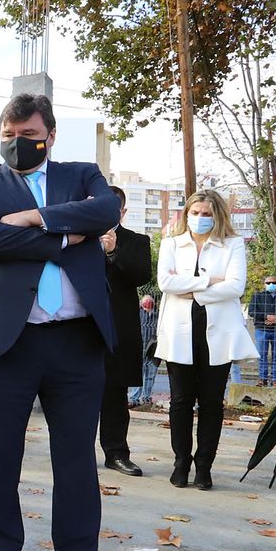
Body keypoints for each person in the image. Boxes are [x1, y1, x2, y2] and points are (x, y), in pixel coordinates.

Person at [0, 93, 121, 551]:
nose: (16, 144)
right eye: (8, 136)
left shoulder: (82, 173)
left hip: (76, 338)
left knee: (75, 453)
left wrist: (34, 218)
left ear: (49, 135)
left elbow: (106, 210)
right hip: (8, 340)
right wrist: (68, 237)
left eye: (27, 136)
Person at [156, 192, 258, 489]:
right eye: (195, 212)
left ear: (218, 216)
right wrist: (211, 281)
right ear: (186, 213)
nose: (200, 218)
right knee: (180, 401)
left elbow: (235, 286)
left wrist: (191, 290)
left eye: (207, 213)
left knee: (212, 402)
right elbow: (166, 283)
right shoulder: (171, 244)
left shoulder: (232, 244)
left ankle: (204, 466)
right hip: (179, 331)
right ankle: (181, 462)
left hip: (219, 333)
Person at [97, 186, 153, 477]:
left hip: (118, 327)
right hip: (80, 327)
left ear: (123, 211)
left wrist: (114, 251)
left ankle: (116, 453)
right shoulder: (78, 236)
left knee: (115, 394)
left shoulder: (137, 241)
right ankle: (76, 453)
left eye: (113, 207)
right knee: (75, 395)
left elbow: (142, 275)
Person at [247, 273, 276, 386]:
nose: (271, 284)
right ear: (264, 284)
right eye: (268, 283)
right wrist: (266, 316)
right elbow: (252, 311)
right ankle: (262, 379)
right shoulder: (257, 296)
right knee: (262, 356)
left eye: (274, 283)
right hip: (261, 329)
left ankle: (275, 379)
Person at [129, 295, 161, 406]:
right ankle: (134, 398)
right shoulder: (138, 314)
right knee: (137, 374)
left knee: (150, 375)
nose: (147, 305)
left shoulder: (157, 315)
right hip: (139, 347)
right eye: (145, 303)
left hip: (153, 349)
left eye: (149, 302)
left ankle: (146, 397)